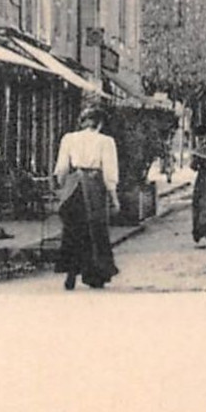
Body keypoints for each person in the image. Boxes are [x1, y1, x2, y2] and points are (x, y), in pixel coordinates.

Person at [53, 104, 121, 290]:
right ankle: (95, 274)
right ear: (99, 124)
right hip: (94, 187)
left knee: (73, 231)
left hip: (74, 187)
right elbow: (109, 172)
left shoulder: (69, 139)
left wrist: (61, 189)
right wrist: (114, 197)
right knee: (96, 230)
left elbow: (62, 168)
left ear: (82, 123)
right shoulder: (105, 141)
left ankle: (71, 272)